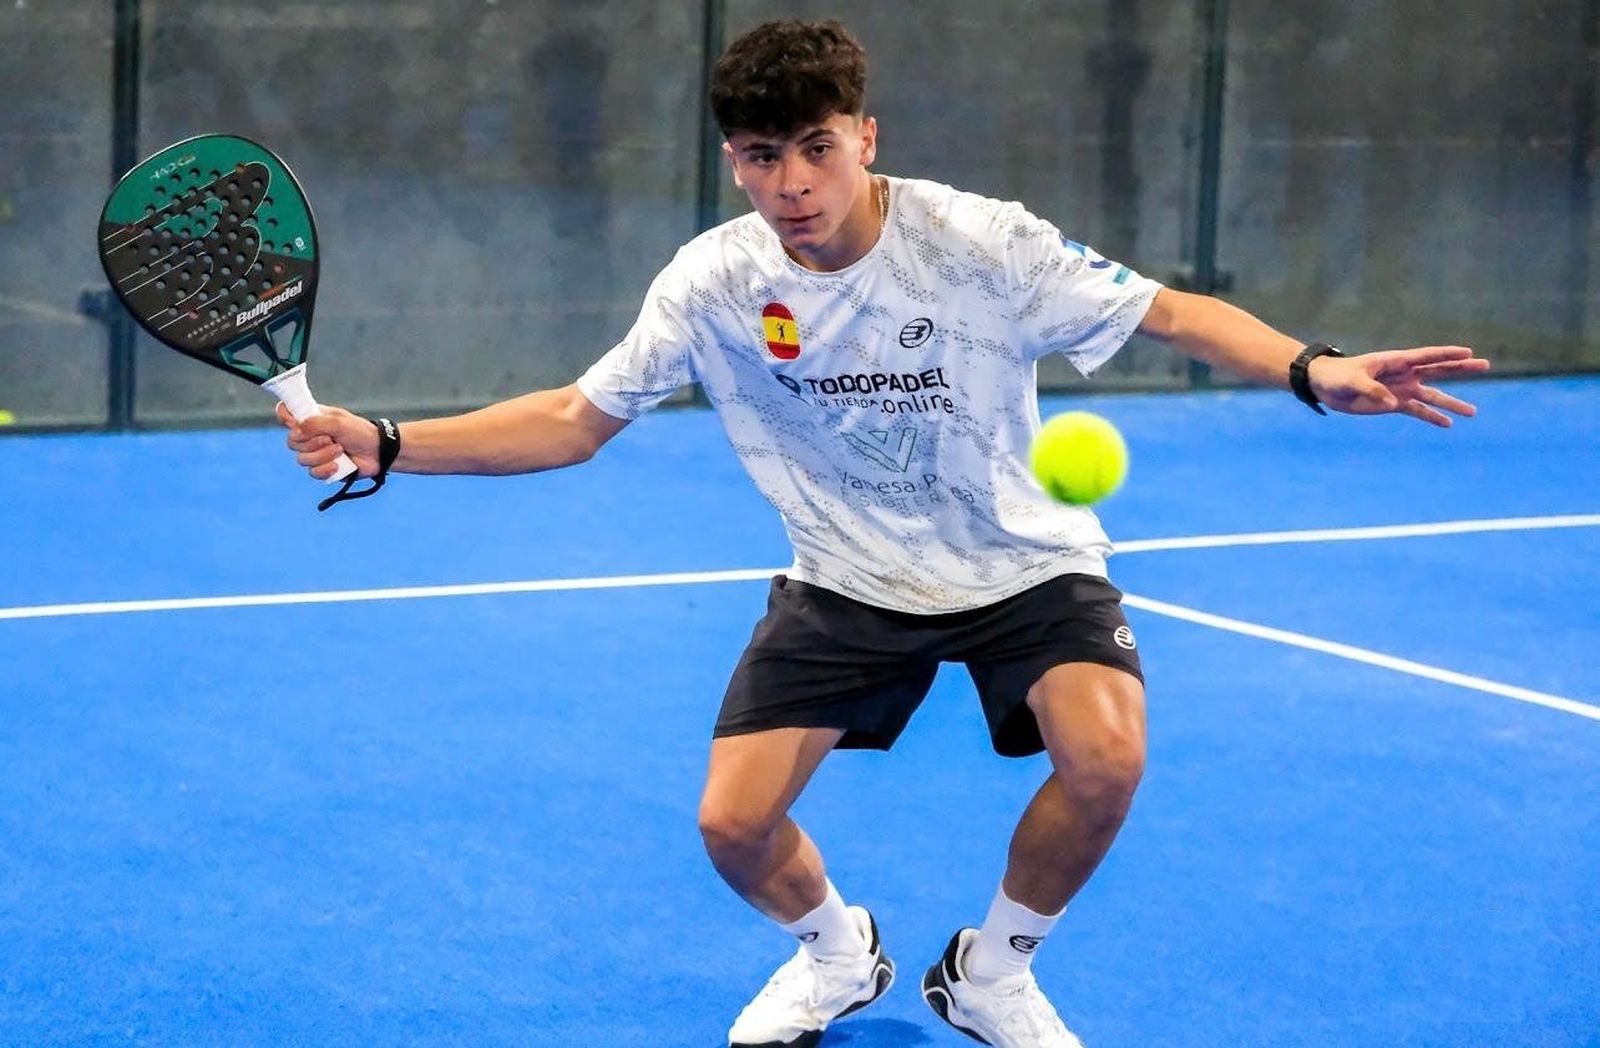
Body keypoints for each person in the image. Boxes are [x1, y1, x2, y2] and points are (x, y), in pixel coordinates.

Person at [280, 19, 1489, 1047]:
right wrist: (388, 439)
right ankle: (836, 951)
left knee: (1108, 757)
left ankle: (993, 974)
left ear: (865, 138)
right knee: (730, 824)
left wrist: (1308, 366)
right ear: (735, 165)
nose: (795, 180)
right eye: (765, 157)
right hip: (848, 575)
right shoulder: (711, 283)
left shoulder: (980, 243)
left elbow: (1164, 309)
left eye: (817, 146)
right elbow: (571, 418)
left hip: (1023, 557)